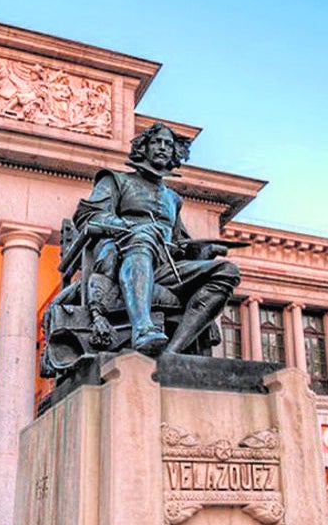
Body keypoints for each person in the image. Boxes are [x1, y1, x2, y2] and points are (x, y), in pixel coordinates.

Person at [71, 122, 240, 355]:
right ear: (144, 148)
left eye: (168, 144)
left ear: (174, 153)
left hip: (166, 267)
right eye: (156, 142)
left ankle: (173, 350)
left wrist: (203, 251)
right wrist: (129, 226)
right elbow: (88, 216)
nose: (162, 148)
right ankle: (142, 328)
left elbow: (179, 242)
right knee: (143, 237)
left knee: (227, 271)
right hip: (126, 255)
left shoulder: (173, 199)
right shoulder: (117, 181)